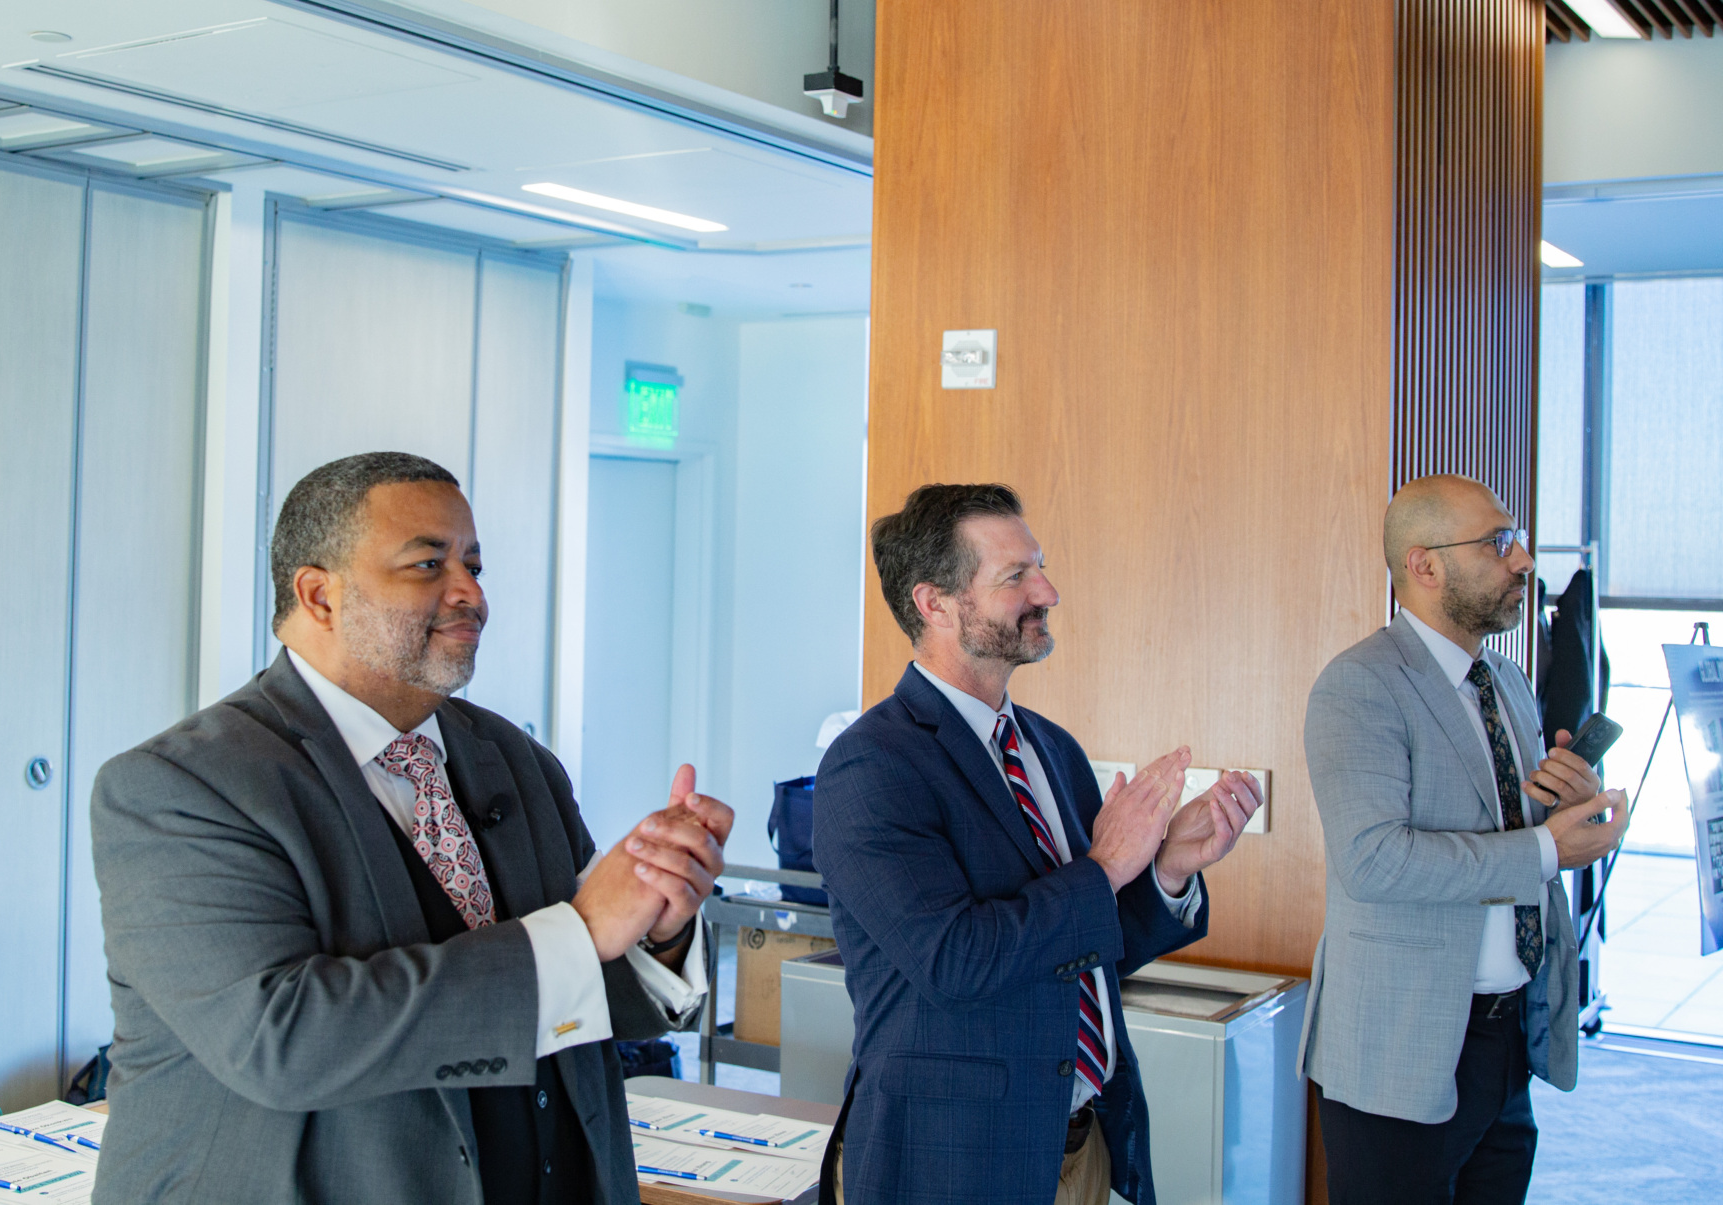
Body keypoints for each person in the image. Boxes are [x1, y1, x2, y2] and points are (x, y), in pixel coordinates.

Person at [90, 452, 735, 1204]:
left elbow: (578, 997)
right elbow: (283, 1038)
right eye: (428, 564)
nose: (471, 594)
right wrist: (585, 929)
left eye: (473, 563)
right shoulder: (181, 788)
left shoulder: (515, 759)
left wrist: (659, 922)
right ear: (319, 595)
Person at [813, 483, 1265, 1205]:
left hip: (1083, 1151)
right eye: (1016, 576)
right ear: (934, 604)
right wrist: (1107, 864)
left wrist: (1170, 868)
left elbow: (1086, 947)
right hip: (950, 1168)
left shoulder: (1051, 749)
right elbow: (956, 959)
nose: (1048, 590)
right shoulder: (872, 766)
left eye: (1041, 567)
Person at [1301, 474, 1629, 1205]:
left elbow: (1501, 828)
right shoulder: (1359, 686)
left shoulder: (1505, 679)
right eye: (1499, 542)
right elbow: (1375, 859)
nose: (1524, 562)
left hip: (1507, 1040)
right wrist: (1549, 851)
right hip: (1401, 1050)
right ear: (1425, 565)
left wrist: (1562, 808)